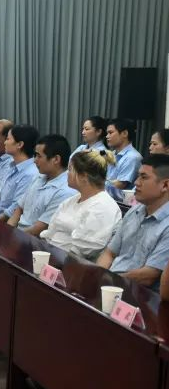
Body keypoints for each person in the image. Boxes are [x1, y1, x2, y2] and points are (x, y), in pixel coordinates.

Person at [99, 155, 169, 290]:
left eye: (144, 177)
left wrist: (108, 282)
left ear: (165, 185)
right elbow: (109, 253)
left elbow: (148, 276)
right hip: (111, 284)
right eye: (138, 176)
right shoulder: (135, 211)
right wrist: (99, 276)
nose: (136, 182)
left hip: (140, 293)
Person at [40, 149, 121, 260]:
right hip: (52, 255)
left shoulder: (103, 207)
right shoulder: (71, 201)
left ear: (83, 176)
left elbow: (83, 251)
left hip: (72, 264)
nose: (67, 173)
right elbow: (51, 232)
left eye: (70, 169)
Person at [7, 134, 78, 236]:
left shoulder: (65, 191)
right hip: (17, 234)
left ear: (56, 159)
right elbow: (19, 209)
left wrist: (12, 236)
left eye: (39, 156)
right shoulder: (39, 177)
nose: (35, 160)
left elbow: (39, 229)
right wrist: (8, 230)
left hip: (34, 240)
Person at [0, 124, 40, 220]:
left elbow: (13, 211)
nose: (5, 143)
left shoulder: (30, 174)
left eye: (8, 139)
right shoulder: (11, 166)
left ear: (19, 144)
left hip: (4, 223)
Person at [106, 118, 142, 202]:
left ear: (124, 133)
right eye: (107, 133)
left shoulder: (132, 157)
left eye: (110, 133)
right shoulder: (112, 154)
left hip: (119, 203)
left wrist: (94, 184)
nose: (107, 136)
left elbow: (119, 185)